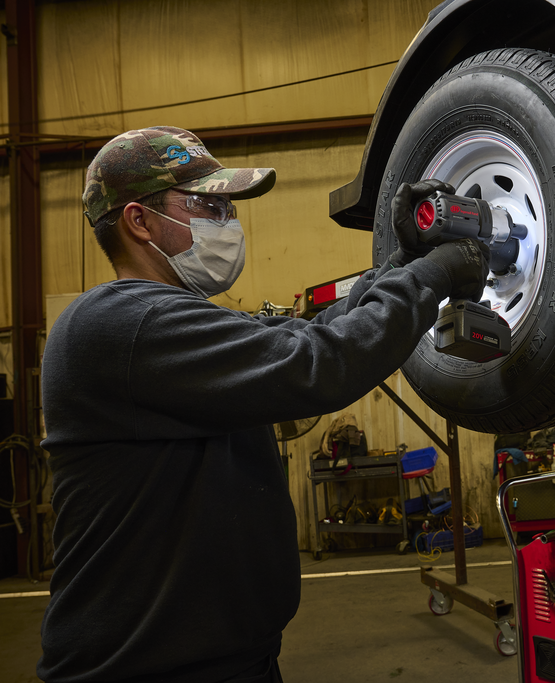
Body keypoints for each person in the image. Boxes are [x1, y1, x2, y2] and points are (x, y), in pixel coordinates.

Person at [38, 126, 488, 683]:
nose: (228, 221)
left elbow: (304, 336)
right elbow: (317, 364)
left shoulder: (177, 318)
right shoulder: (122, 324)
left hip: (228, 659)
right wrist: (433, 274)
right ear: (139, 221)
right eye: (209, 205)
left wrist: (399, 264)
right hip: (145, 668)